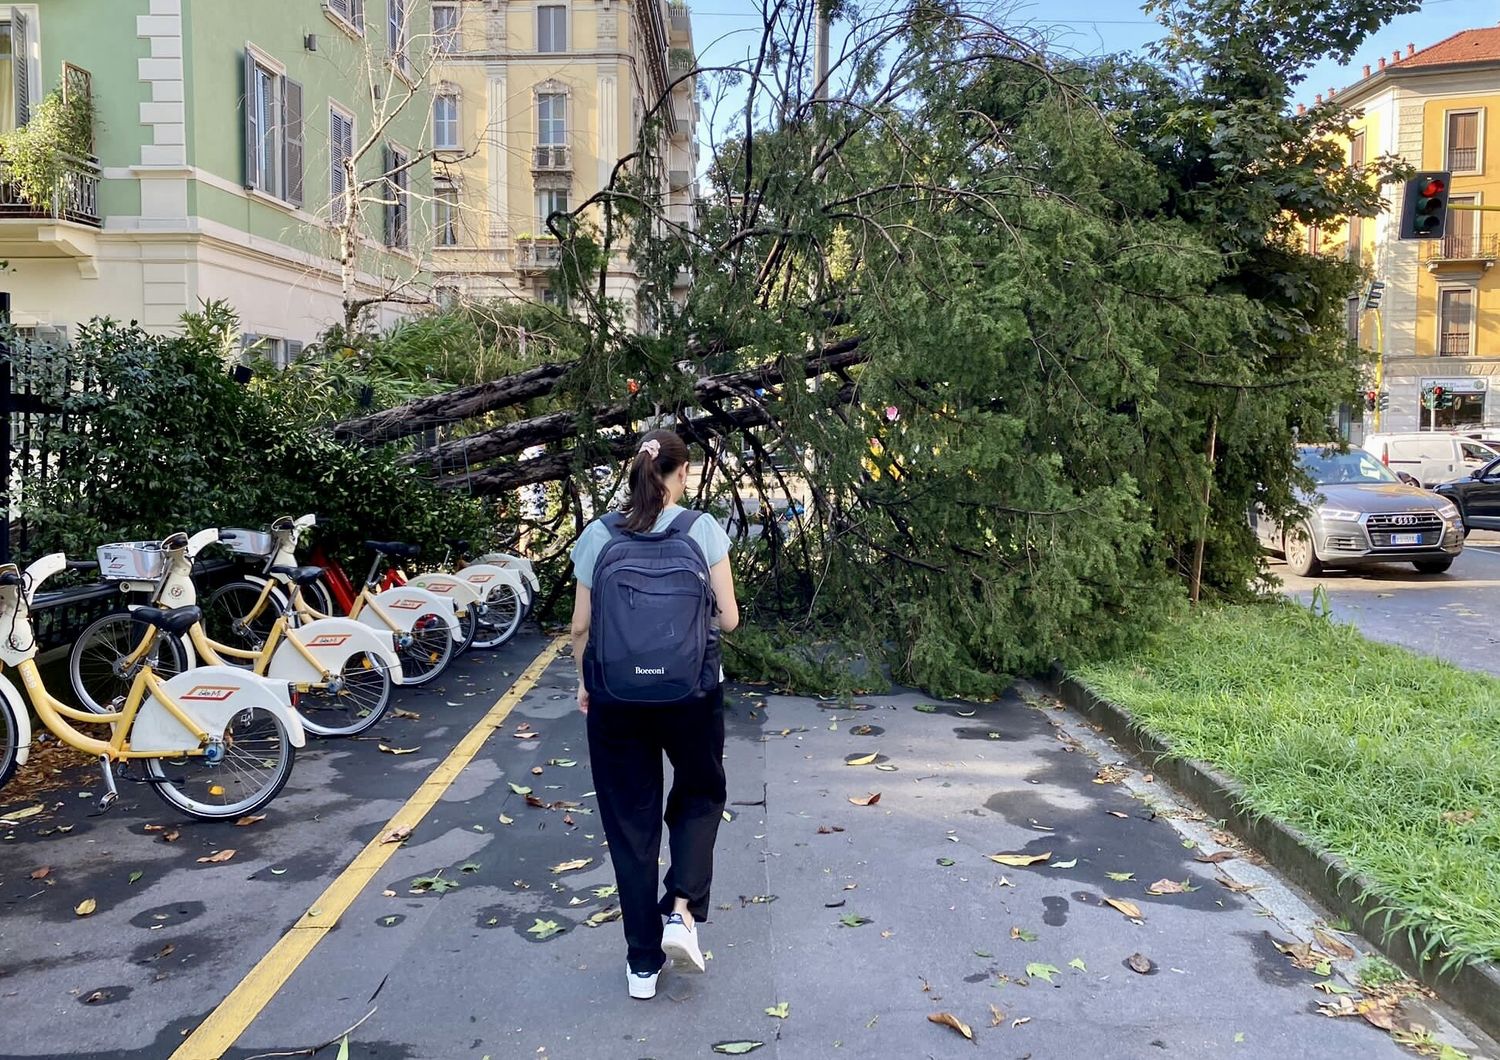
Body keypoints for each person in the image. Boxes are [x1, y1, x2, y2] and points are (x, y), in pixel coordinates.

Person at [569, 428, 740, 1000]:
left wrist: (585, 682)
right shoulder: (702, 530)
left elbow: (579, 627)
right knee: (700, 795)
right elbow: (731, 621)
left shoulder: (599, 534)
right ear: (681, 473)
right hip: (691, 695)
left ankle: (642, 963)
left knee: (630, 825)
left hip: (615, 699)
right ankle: (682, 910)